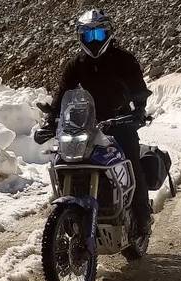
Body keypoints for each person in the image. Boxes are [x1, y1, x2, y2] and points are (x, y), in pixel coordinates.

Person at [34, 9, 154, 235]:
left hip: (120, 121)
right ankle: (72, 209)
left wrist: (138, 110)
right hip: (86, 123)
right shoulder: (77, 64)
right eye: (88, 35)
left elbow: (139, 88)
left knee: (131, 162)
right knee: (66, 160)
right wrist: (51, 122)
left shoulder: (124, 60)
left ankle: (142, 217)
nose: (94, 40)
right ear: (80, 37)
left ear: (108, 33)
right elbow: (62, 95)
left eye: (98, 34)